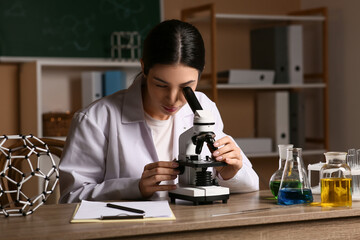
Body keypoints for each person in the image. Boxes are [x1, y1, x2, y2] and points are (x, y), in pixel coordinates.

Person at [59, 19, 259, 203]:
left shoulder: (204, 107)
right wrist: (135, 187)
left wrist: (231, 172)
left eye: (186, 87)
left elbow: (253, 184)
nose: (173, 99)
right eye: (161, 85)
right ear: (144, 68)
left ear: (201, 72)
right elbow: (70, 198)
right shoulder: (96, 119)